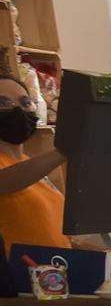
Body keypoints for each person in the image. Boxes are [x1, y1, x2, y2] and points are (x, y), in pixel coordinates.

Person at [0, 75, 66, 249]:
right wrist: (66, 150)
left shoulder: (30, 164)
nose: (18, 110)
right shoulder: (24, 172)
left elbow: (54, 234)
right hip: (19, 273)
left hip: (53, 272)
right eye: (3, 103)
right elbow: (5, 182)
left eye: (25, 102)